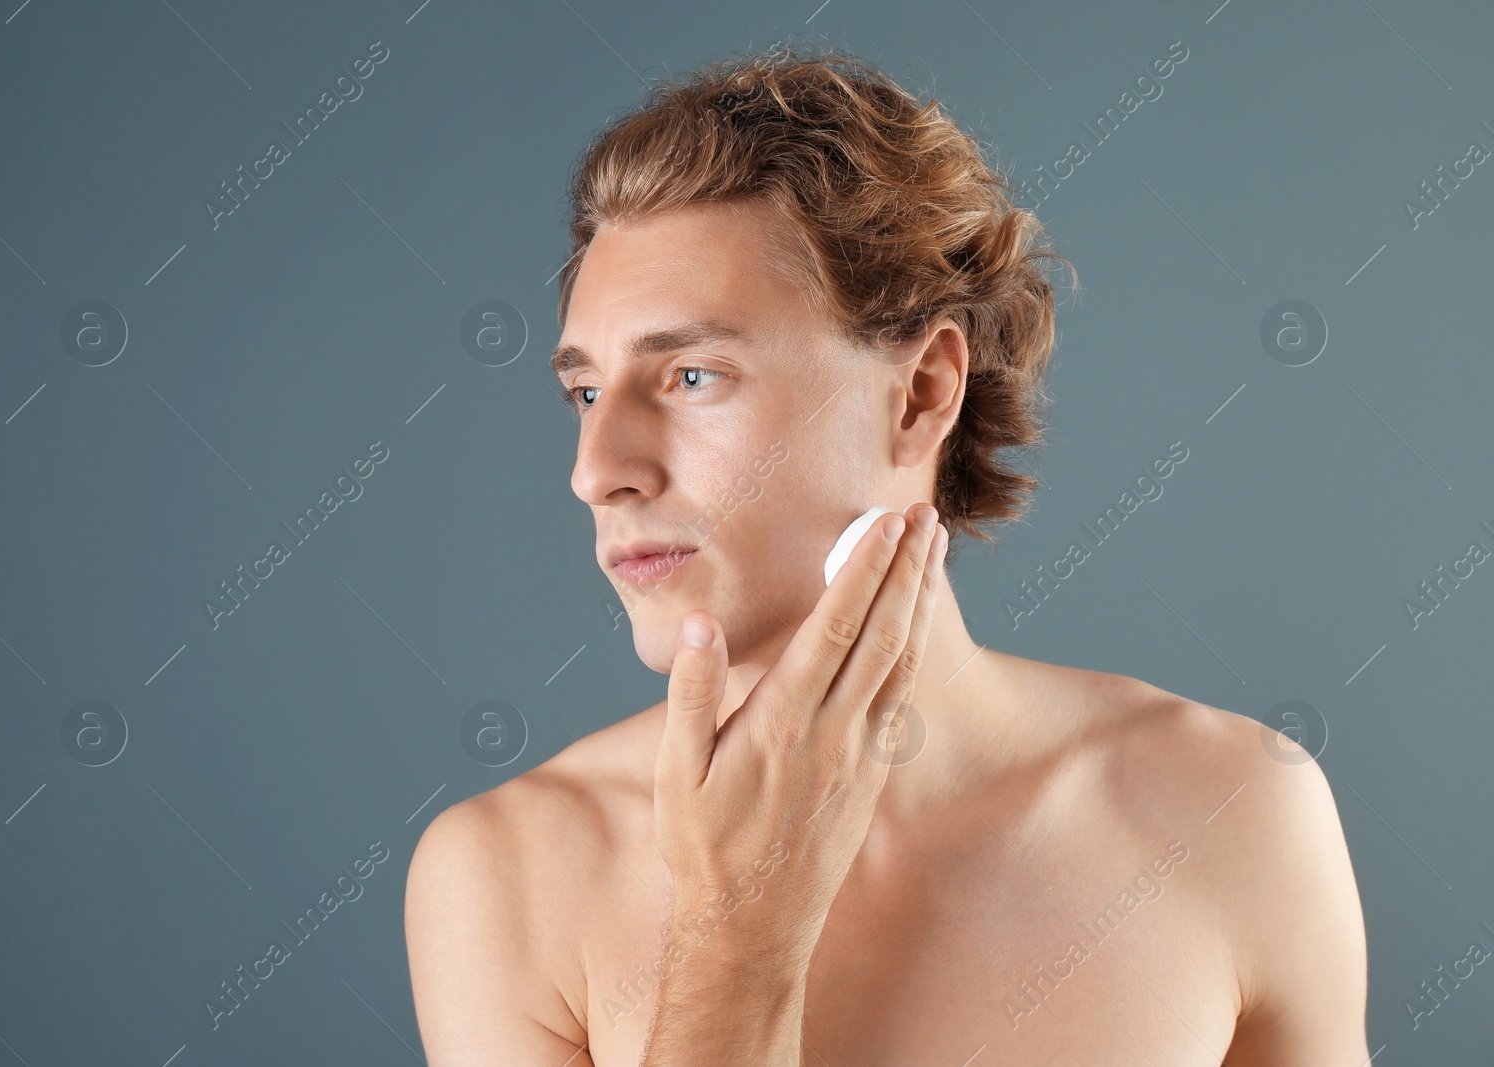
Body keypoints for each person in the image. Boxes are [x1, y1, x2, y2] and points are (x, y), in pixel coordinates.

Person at [404, 45, 1368, 1065]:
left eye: (690, 375)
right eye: (586, 391)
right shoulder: (508, 871)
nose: (598, 470)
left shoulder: (1233, 810)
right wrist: (738, 937)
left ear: (919, 394)